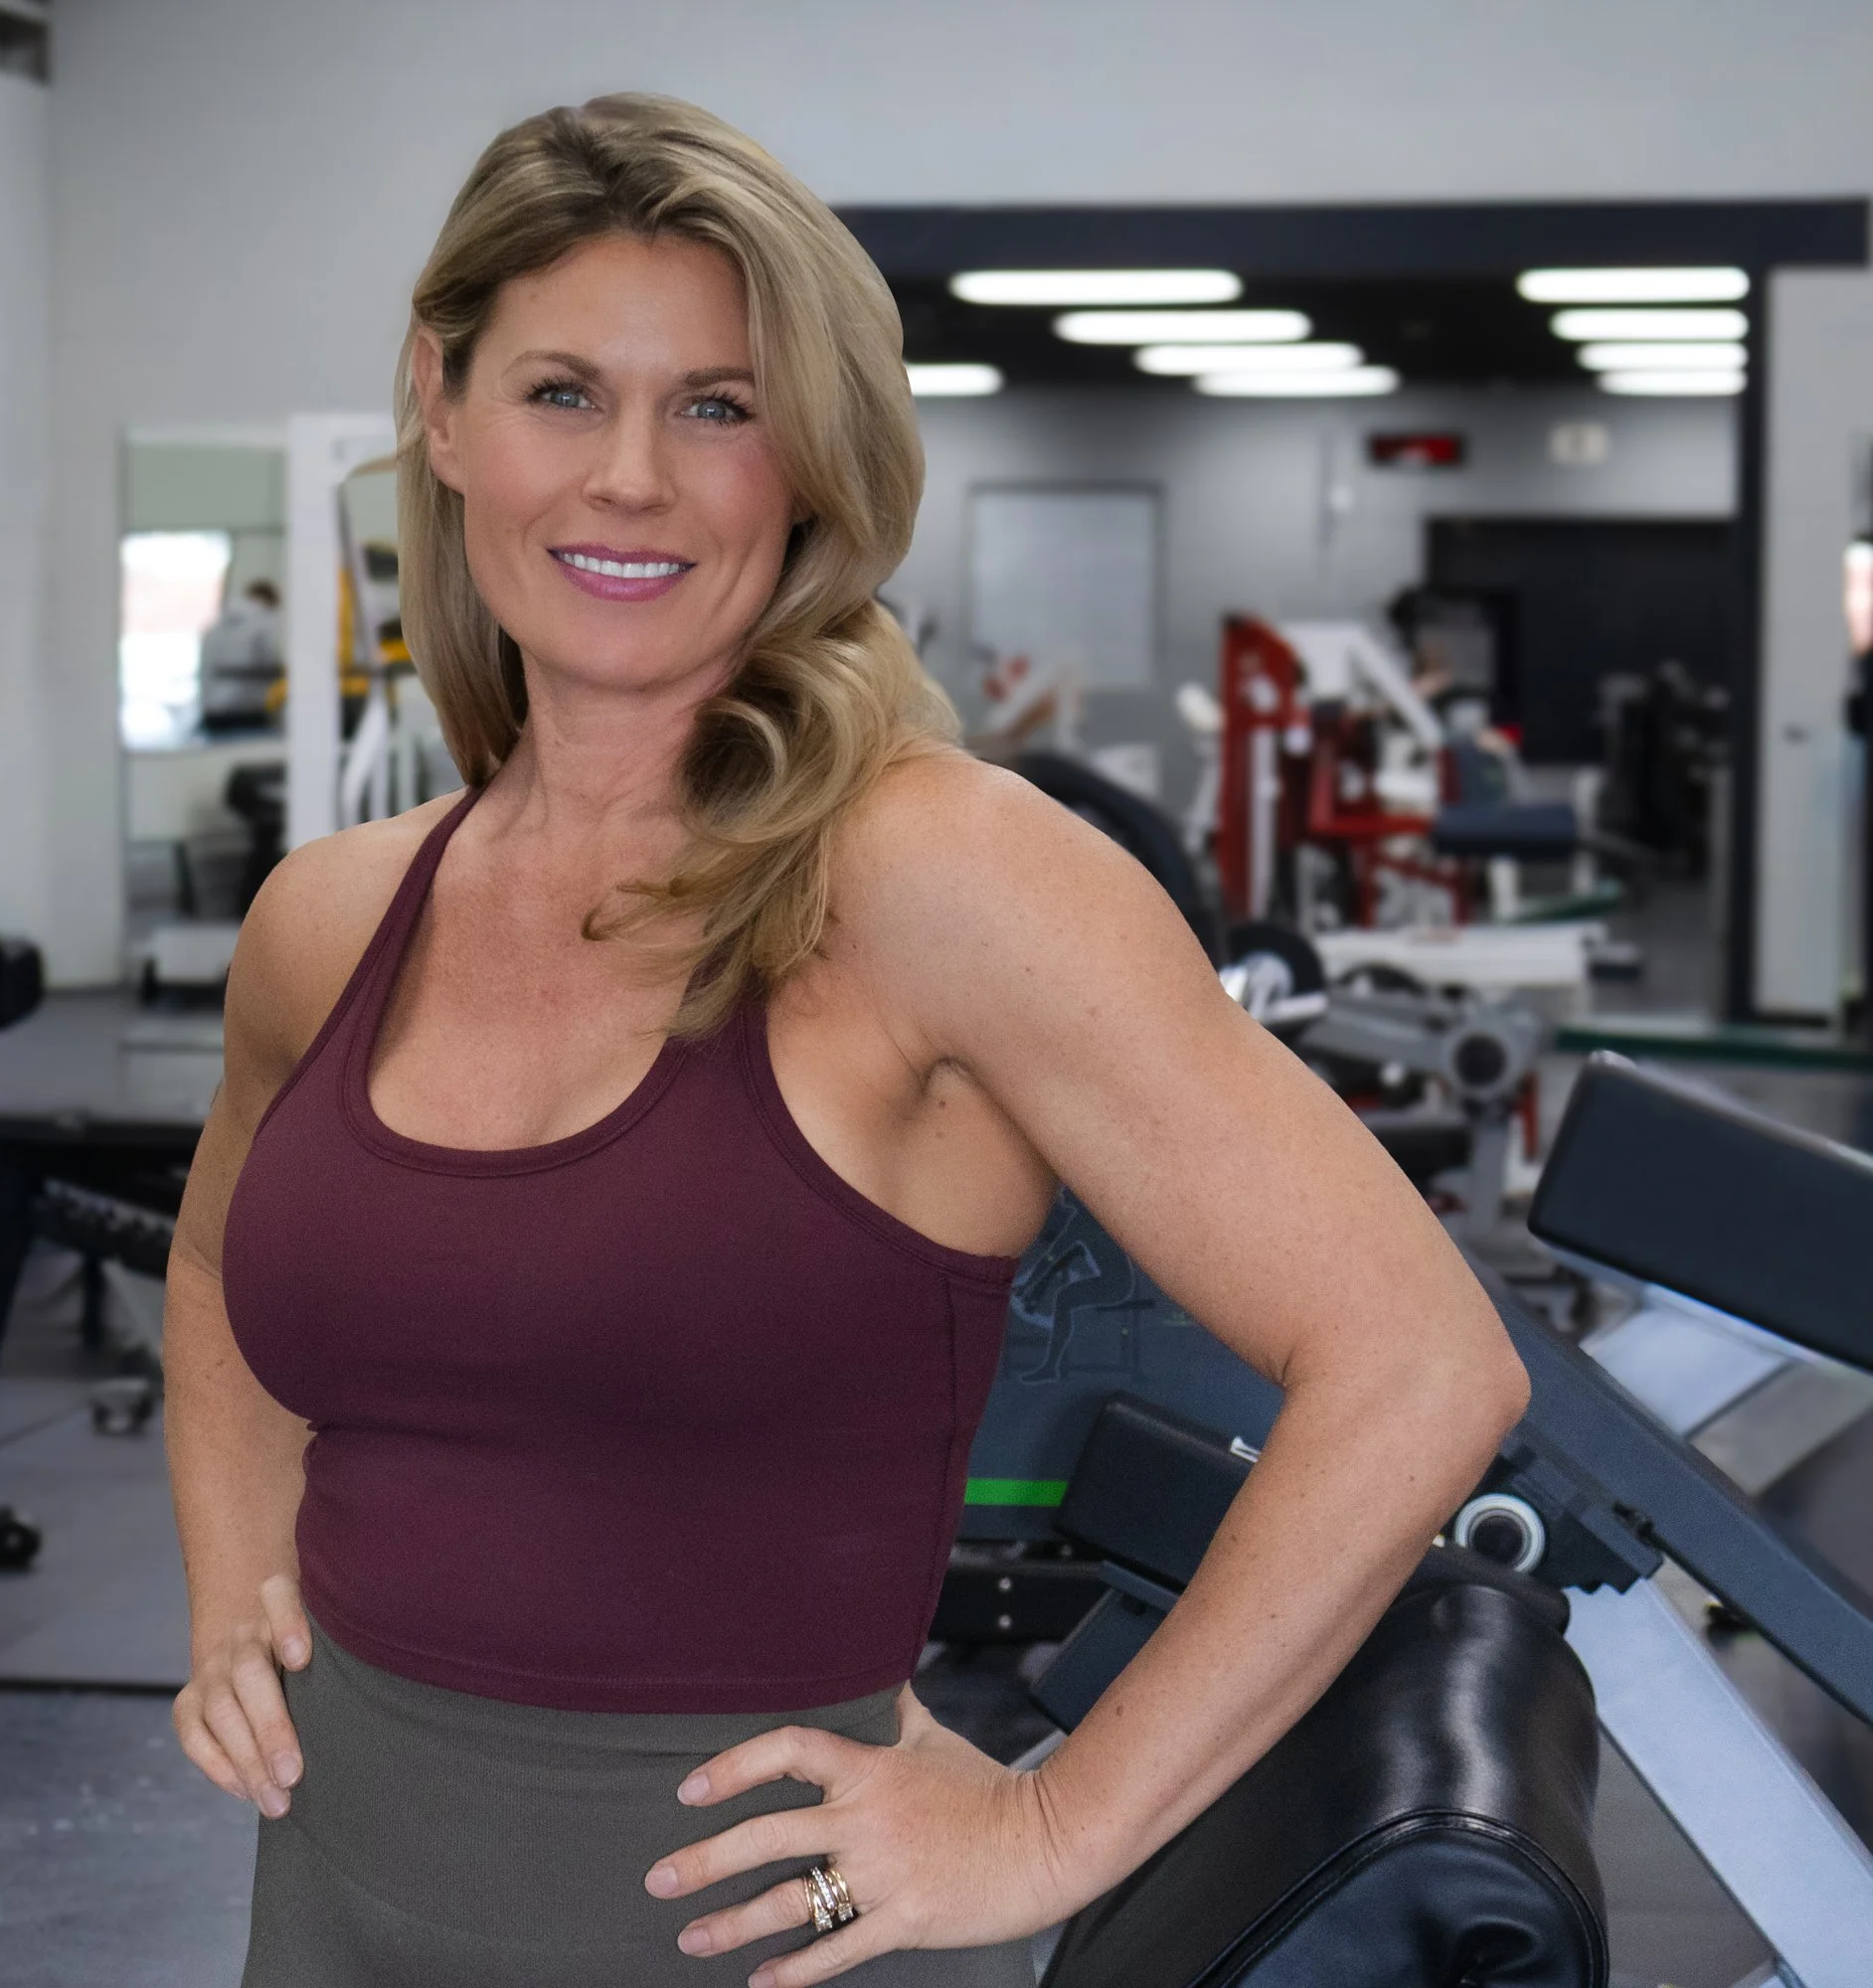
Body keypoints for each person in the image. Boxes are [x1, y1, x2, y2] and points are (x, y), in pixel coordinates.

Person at [164, 95, 1529, 1987]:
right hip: (334, 1902)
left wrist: (1051, 1827)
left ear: (807, 457)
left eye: (717, 408)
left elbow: (1421, 1361)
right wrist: (238, 1587)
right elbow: (217, 1262)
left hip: (768, 1937)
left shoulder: (941, 880)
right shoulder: (330, 922)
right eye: (562, 393)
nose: (630, 478)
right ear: (442, 405)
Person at [199, 577, 283, 733]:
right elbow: (270, 661)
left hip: (212, 712)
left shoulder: (215, 627)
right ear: (271, 601)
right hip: (246, 714)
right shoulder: (263, 623)